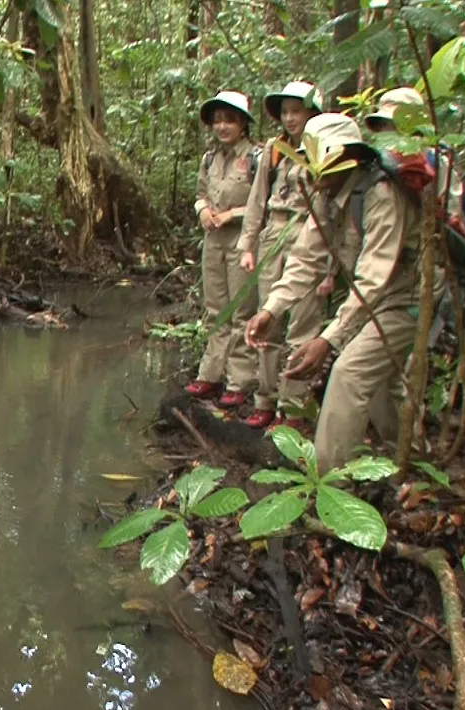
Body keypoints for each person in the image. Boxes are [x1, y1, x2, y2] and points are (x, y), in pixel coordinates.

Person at [244, 113, 430, 473]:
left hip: (405, 300)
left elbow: (373, 279)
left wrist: (327, 340)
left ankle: (327, 483)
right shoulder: (327, 195)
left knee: (348, 373)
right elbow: (306, 260)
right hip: (374, 301)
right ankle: (411, 465)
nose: (314, 173)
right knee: (383, 388)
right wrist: (272, 310)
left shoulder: (382, 196)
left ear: (349, 158)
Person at [235, 80, 331, 429]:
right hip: (274, 232)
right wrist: (248, 244)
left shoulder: (326, 152)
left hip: (310, 233)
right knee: (267, 321)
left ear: (313, 114)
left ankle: (292, 409)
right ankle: (264, 399)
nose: (291, 119)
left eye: (298, 112)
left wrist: (331, 270)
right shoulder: (274, 151)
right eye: (286, 112)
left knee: (303, 325)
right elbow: (256, 200)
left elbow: (335, 216)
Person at [184, 90, 261, 406]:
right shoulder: (209, 158)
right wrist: (202, 210)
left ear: (242, 124)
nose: (222, 126)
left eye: (229, 120)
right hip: (213, 240)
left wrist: (233, 213)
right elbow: (201, 193)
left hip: (243, 241)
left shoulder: (258, 158)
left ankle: (239, 382)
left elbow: (263, 202)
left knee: (241, 310)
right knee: (216, 309)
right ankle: (210, 375)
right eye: (217, 121)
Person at [365, 86, 465, 232]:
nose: (387, 131)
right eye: (384, 124)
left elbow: (452, 224)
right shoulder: (373, 163)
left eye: (395, 125)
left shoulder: (438, 165)